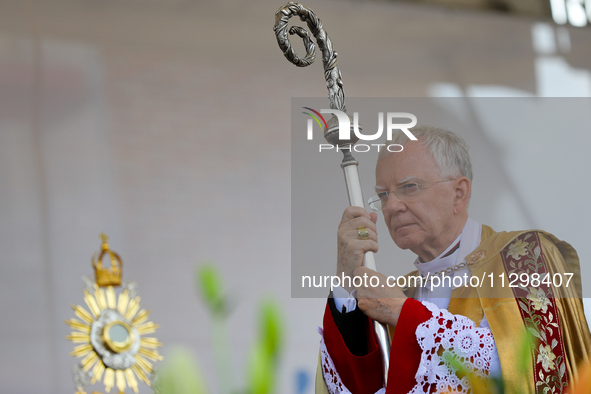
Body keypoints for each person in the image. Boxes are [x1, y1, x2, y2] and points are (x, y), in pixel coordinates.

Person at [315, 126, 591, 394]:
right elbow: (356, 384)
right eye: (383, 195)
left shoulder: (524, 256)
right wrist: (346, 277)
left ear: (459, 193)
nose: (392, 206)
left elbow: (534, 370)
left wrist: (406, 315)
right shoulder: (401, 292)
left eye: (409, 187)